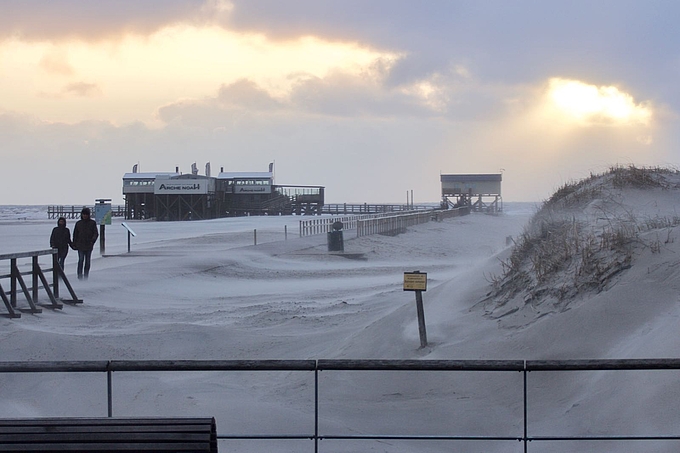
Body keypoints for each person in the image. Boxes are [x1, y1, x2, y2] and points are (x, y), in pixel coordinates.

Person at [72, 207, 99, 279]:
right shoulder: (78, 223)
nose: (85, 216)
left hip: (89, 245)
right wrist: (74, 244)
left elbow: (95, 233)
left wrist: (92, 241)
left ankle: (86, 275)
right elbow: (75, 234)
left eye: (86, 214)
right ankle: (79, 275)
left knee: (87, 261)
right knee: (81, 260)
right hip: (80, 245)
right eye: (83, 214)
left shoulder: (92, 223)